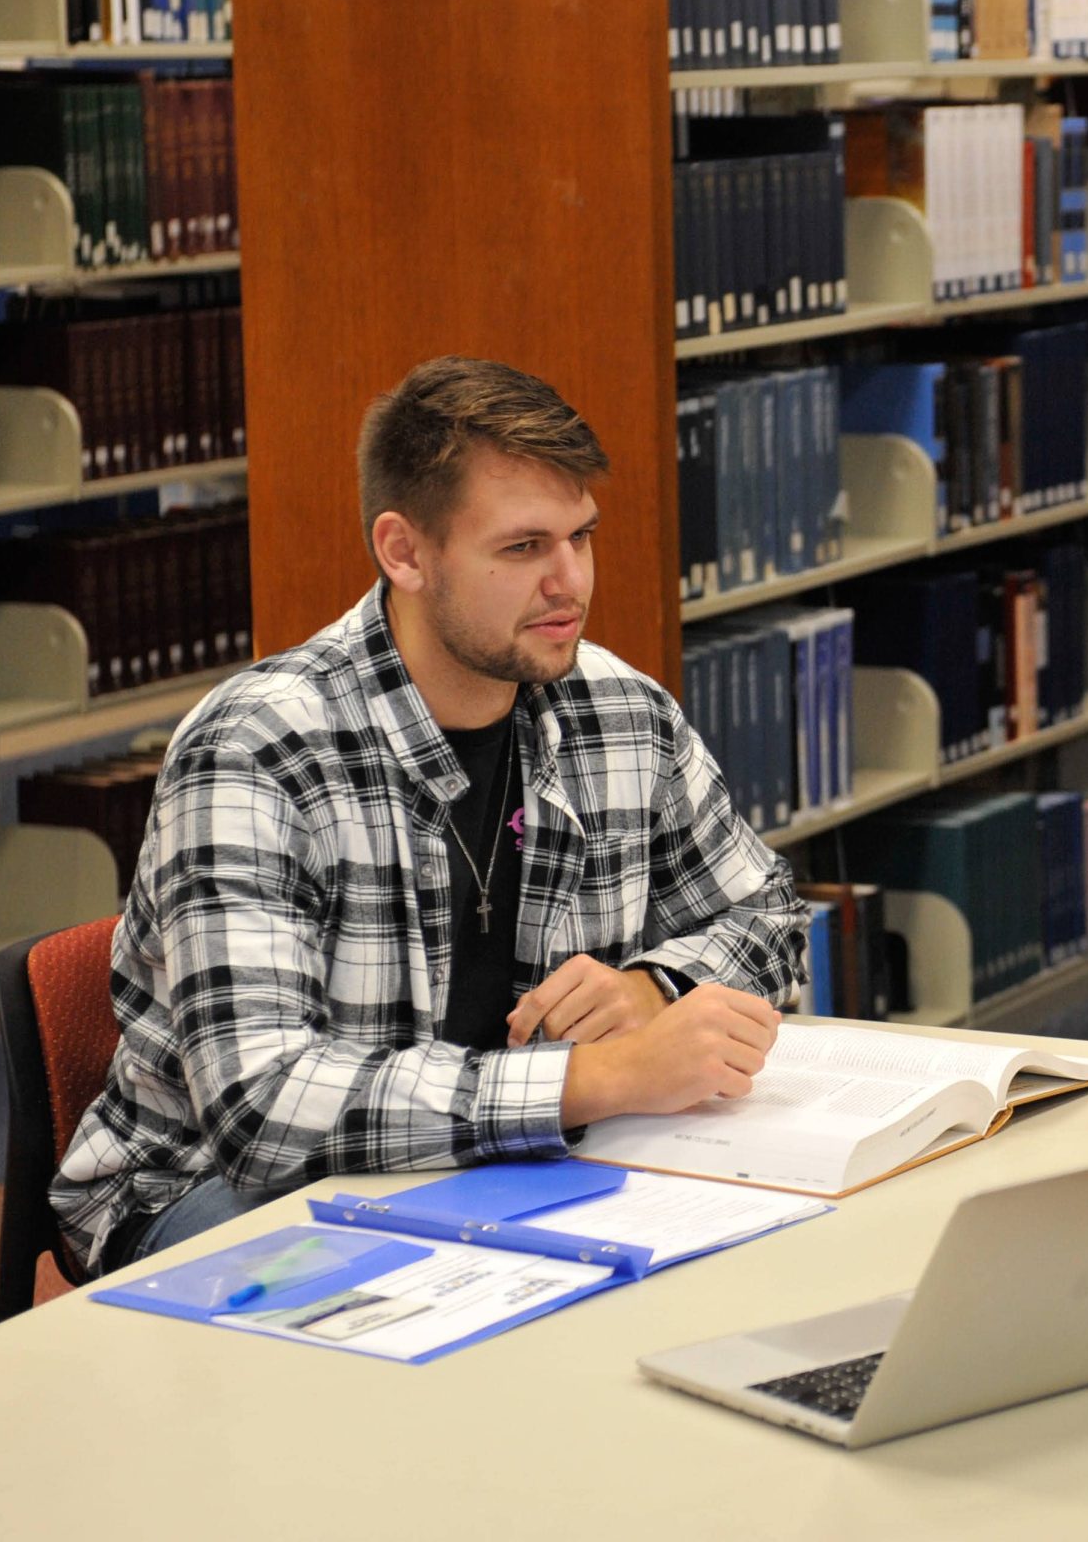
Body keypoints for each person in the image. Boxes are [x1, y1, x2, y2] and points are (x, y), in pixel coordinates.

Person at [54, 357, 802, 1275]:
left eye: (582, 536)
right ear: (405, 552)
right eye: (524, 548)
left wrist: (654, 986)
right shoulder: (258, 747)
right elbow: (262, 1108)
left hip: (496, 1159)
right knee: (502, 1316)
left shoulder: (618, 709)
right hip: (208, 1189)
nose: (571, 581)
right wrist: (599, 1076)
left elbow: (768, 919)